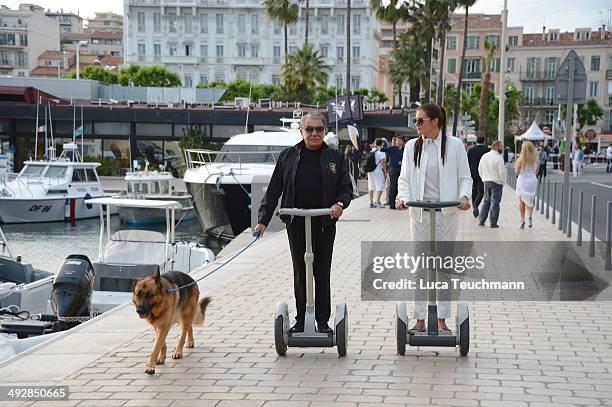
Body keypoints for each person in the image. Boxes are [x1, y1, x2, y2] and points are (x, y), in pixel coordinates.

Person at [255, 112, 353, 334]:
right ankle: (301, 320)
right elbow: (273, 191)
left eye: (319, 129)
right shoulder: (287, 156)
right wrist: (262, 221)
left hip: (324, 222)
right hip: (297, 222)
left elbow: (346, 187)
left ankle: (323, 321)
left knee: (321, 270)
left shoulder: (335, 157)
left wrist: (339, 204)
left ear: (325, 131)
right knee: (300, 271)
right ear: (301, 131)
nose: (314, 134)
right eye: (309, 129)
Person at [396, 103, 472, 334]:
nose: (416, 125)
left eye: (420, 121)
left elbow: (465, 177)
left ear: (435, 121)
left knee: (443, 268)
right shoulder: (412, 147)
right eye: (416, 121)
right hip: (419, 214)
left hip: (446, 214)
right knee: (420, 268)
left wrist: (464, 197)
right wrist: (403, 199)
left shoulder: (455, 146)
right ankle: (419, 319)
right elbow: (404, 179)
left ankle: (441, 319)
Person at [478, 141, 507, 228]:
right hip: (496, 182)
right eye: (502, 147)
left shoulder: (484, 156)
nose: (503, 148)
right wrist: (503, 182)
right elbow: (502, 172)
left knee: (486, 201)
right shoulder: (498, 158)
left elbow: (480, 169)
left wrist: (484, 178)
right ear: (497, 147)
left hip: (486, 181)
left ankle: (481, 220)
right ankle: (493, 223)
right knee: (495, 203)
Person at [515, 141, 539, 229]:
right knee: (530, 199)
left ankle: (522, 220)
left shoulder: (520, 160)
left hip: (523, 180)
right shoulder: (536, 160)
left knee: (522, 201)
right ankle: (530, 217)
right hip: (532, 180)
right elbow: (536, 172)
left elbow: (517, 172)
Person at [467, 135, 490, 218]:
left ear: (476, 141)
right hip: (483, 173)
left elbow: (467, 161)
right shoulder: (487, 150)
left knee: (474, 190)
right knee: (481, 191)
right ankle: (476, 205)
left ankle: (474, 206)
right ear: (483, 141)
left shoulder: (471, 150)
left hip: (473, 173)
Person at [381, 136, 405, 209]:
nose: (397, 142)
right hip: (393, 169)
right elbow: (382, 149)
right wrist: (380, 145)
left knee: (400, 186)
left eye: (399, 141)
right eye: (396, 141)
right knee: (393, 187)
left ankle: (400, 202)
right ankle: (392, 204)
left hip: (402, 169)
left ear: (402, 142)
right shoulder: (392, 149)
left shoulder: (405, 150)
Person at [367, 138, 387, 208]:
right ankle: (377, 202)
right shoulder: (381, 152)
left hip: (370, 171)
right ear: (382, 144)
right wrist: (385, 171)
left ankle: (371, 202)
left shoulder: (371, 151)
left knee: (371, 186)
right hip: (377, 171)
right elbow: (383, 162)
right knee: (380, 186)